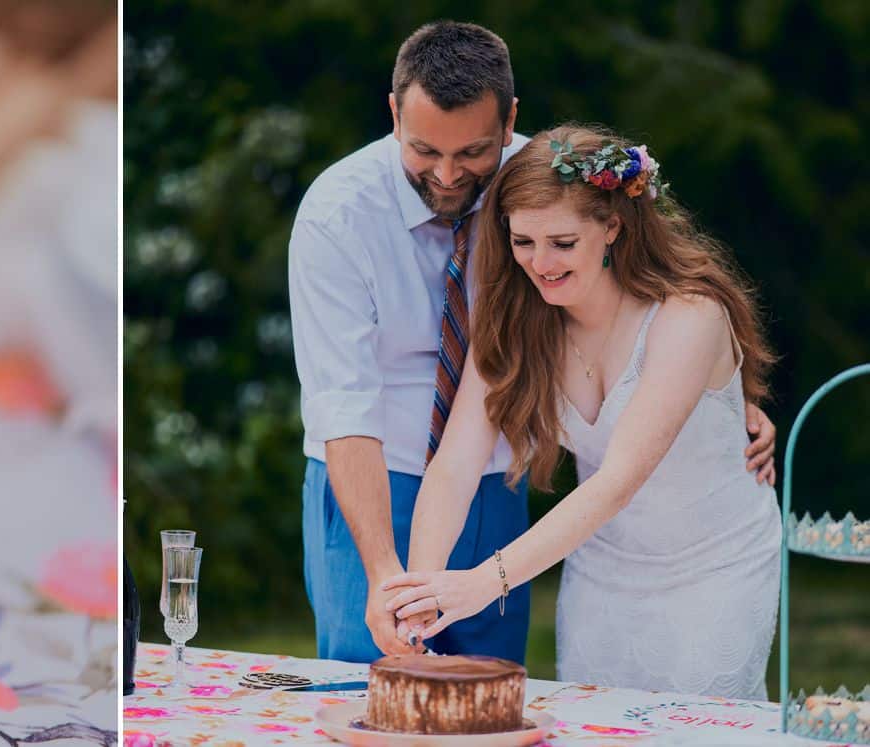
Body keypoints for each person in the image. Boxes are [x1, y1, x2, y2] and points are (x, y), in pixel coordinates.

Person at [287, 20, 778, 665]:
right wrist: (405, 588)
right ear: (394, 114)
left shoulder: (553, 181)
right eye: (520, 244)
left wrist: (721, 404)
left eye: (470, 154)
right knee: (370, 687)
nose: (447, 173)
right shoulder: (345, 218)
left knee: (500, 694)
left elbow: (624, 463)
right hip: (383, 478)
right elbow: (410, 438)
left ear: (612, 227)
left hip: (667, 550)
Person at [383, 125, 781, 699]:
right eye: (523, 242)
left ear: (613, 227)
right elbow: (454, 466)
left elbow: (617, 481)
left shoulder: (690, 315)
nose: (540, 263)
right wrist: (422, 592)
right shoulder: (515, 325)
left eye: (562, 243)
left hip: (716, 563)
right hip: (602, 561)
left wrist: (482, 583)